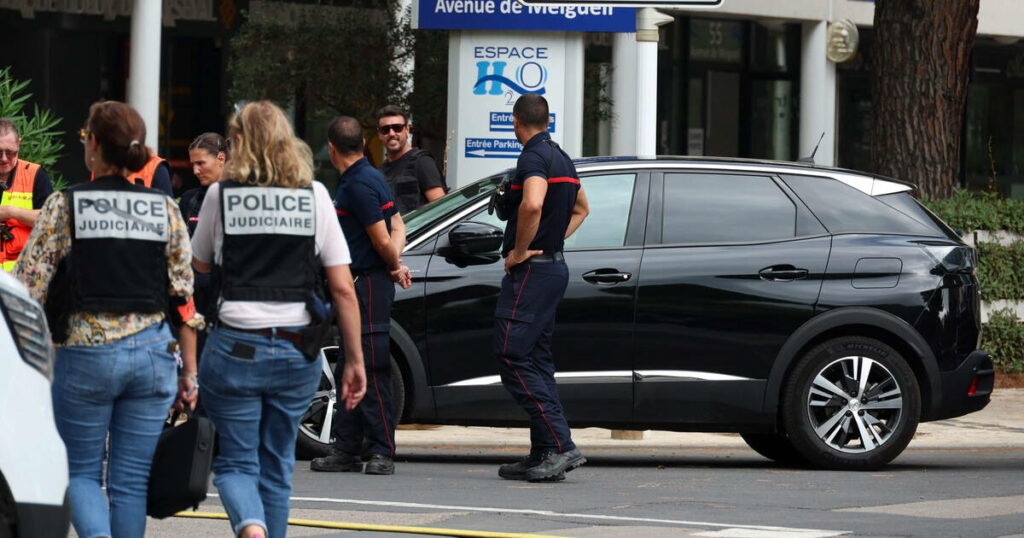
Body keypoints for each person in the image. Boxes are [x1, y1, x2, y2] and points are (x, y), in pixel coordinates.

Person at [13, 100, 201, 537]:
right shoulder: (164, 209)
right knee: (130, 483)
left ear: (94, 145)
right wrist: (189, 372)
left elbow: (28, 288)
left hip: (84, 355)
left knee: (79, 473)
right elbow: (184, 299)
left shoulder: (65, 205)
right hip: (154, 355)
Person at [191, 101, 366, 538]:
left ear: (238, 147)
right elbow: (343, 288)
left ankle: (251, 527)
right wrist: (355, 361)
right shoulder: (315, 196)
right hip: (295, 349)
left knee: (234, 462)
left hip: (234, 345)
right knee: (277, 465)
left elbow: (201, 266)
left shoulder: (220, 195)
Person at [494, 94, 590, 483]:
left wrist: (519, 252)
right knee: (536, 358)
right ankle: (543, 451)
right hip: (553, 268)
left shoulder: (532, 157)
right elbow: (582, 208)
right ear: (547, 120)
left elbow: (531, 205)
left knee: (510, 354)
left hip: (532, 273)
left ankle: (561, 445)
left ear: (516, 121)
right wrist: (551, 241)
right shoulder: (561, 157)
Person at [310, 116, 411, 476]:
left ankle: (382, 450)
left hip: (366, 284)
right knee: (347, 369)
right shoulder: (371, 177)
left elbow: (384, 237)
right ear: (365, 144)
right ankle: (347, 448)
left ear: (332, 148)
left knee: (370, 367)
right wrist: (395, 265)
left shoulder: (358, 184)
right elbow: (399, 225)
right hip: (367, 281)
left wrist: (391, 262)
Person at [0, 118, 55, 271]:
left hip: (24, 276)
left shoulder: (34, 174)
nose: (4, 158)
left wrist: (12, 212)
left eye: (10, 152)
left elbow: (50, 220)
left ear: (19, 143)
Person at [377, 105, 445, 214]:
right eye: (385, 130)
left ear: (407, 129)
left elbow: (440, 210)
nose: (391, 133)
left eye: (397, 128)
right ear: (380, 134)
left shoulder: (422, 162)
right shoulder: (379, 172)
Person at [181, 132, 228, 236]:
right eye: (193, 164)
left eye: (200, 163)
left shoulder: (239, 196)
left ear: (221, 159)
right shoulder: (189, 199)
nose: (195, 171)